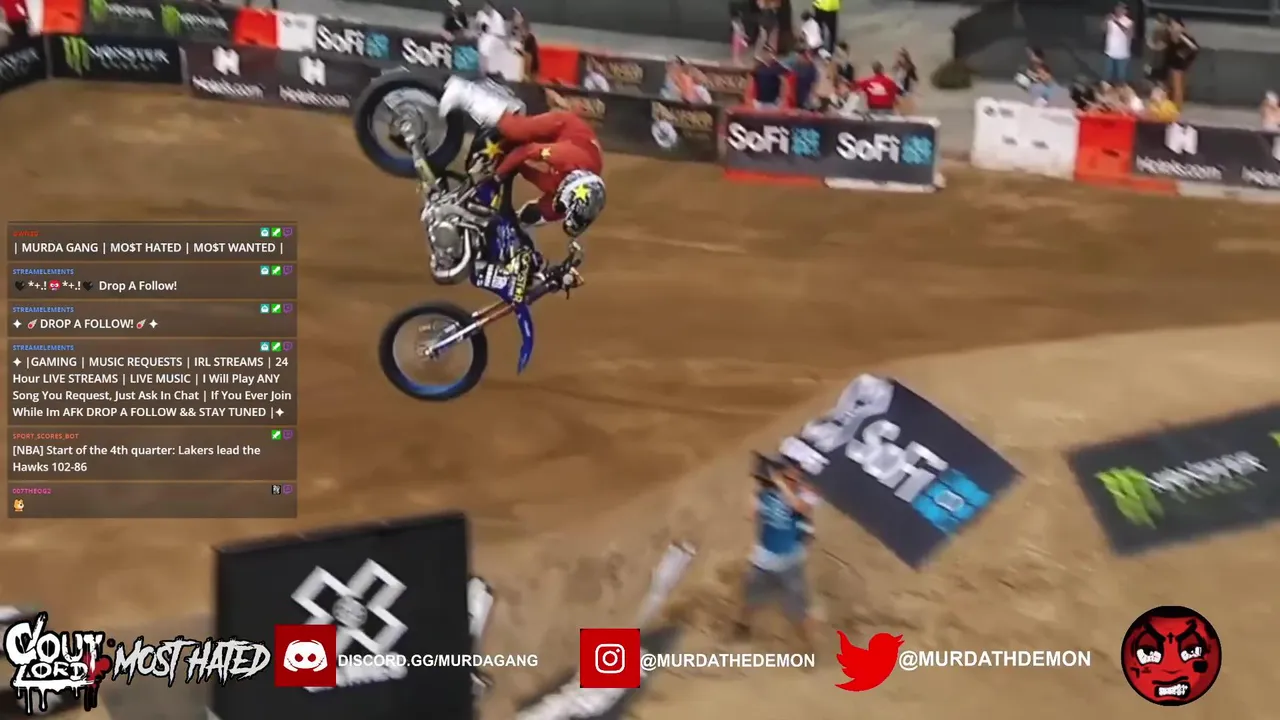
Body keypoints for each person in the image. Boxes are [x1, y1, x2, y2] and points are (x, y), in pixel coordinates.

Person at [435, 78, 607, 280]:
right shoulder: (567, 158)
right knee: (517, 131)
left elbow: (536, 184)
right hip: (564, 128)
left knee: (529, 215)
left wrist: (512, 231)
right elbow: (528, 151)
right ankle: (465, 92)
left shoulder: (574, 198)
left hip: (570, 158)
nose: (564, 209)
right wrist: (499, 176)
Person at [734, 453, 820, 652]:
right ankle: (743, 626)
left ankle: (808, 646)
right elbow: (751, 515)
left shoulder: (804, 493)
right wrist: (761, 494)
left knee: (798, 609)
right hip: (764, 559)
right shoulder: (764, 494)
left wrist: (780, 486)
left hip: (789, 562)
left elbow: (802, 508)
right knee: (751, 597)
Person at [1164, 18, 1197, 106]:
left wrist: (1183, 55)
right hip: (1170, 65)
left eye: (1174, 25)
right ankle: (1169, 105)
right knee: (1169, 87)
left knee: (1177, 87)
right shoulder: (1169, 37)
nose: (1173, 27)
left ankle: (1177, 106)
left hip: (1179, 66)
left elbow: (1194, 48)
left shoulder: (1185, 37)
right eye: (1171, 25)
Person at [1102, 3, 1133, 84]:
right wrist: (1105, 20)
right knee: (1108, 76)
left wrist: (1116, 21)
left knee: (1121, 78)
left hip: (1122, 55)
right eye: (1117, 8)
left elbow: (1127, 32)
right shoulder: (1110, 20)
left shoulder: (1129, 22)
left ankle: (1120, 89)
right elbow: (1104, 29)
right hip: (1110, 53)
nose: (1118, 10)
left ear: (1125, 11)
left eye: (1121, 9)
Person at [893, 48, 917, 114]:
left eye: (900, 56)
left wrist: (912, 91)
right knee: (899, 109)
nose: (898, 58)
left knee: (905, 109)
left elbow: (914, 80)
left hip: (906, 91)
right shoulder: (898, 66)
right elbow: (896, 77)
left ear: (904, 57)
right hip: (898, 90)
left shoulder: (909, 67)